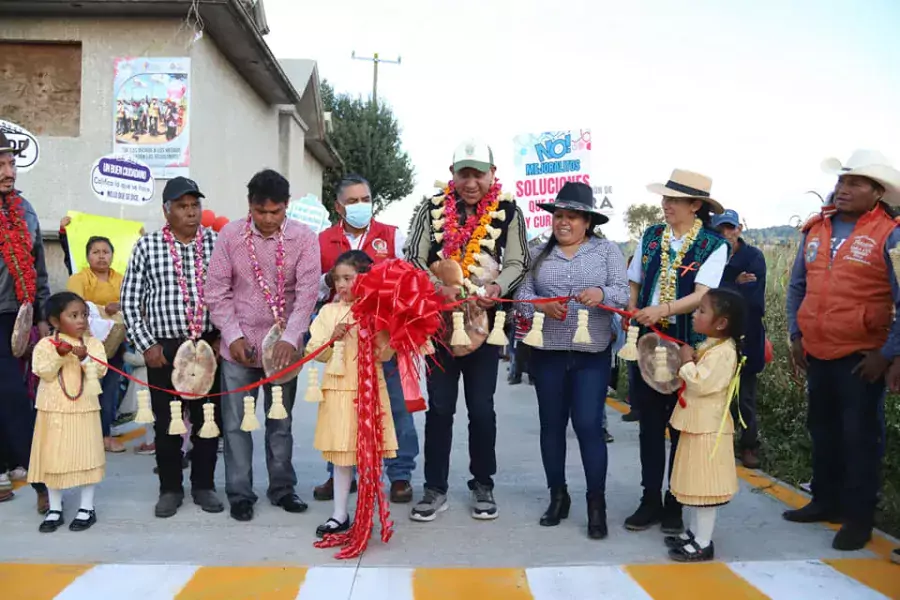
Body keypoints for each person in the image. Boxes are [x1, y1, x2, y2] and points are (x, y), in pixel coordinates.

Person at [406, 139, 529, 521]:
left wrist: (497, 288)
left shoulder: (509, 212)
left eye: (479, 173)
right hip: (438, 326)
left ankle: (483, 485)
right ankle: (434, 488)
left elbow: (518, 261)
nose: (471, 181)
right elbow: (413, 256)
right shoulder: (431, 208)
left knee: (482, 409)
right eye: (464, 173)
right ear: (452, 174)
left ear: (493, 175)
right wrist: (436, 284)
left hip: (485, 327)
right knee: (440, 409)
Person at [785, 153, 900, 551]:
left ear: (878, 192)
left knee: (860, 438)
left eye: (856, 183)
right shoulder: (816, 228)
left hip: (861, 356)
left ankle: (858, 518)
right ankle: (825, 501)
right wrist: (795, 334)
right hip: (817, 350)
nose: (844, 189)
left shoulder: (891, 234)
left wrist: (887, 353)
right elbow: (798, 286)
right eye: (842, 181)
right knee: (823, 430)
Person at [514, 181, 628, 539]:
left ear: (588, 222)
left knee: (588, 426)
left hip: (591, 352)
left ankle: (597, 504)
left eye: (572, 216)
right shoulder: (537, 253)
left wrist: (601, 292)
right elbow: (520, 295)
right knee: (551, 426)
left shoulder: (606, 252)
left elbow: (623, 294)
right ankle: (557, 496)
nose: (563, 222)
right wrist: (540, 306)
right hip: (547, 351)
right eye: (559, 215)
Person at [206, 168, 320, 522]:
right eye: (261, 212)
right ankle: (240, 493)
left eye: (276, 212)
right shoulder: (230, 236)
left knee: (280, 423)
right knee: (237, 423)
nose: (268, 220)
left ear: (287, 207)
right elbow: (216, 291)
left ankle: (283, 488)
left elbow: (306, 295)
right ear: (249, 206)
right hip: (238, 348)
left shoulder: (304, 238)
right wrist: (232, 335)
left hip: (283, 348)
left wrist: (290, 339)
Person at [624, 169, 729, 535]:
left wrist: (664, 310)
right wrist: (634, 312)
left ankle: (674, 500)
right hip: (648, 342)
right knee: (649, 425)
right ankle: (649, 497)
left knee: (681, 427)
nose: (665, 205)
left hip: (686, 347)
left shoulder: (713, 245)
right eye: (665, 198)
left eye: (674, 200)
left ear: (695, 206)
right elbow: (634, 278)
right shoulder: (651, 236)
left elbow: (703, 295)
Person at [121, 176, 224, 519]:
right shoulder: (147, 247)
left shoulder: (216, 243)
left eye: (195, 205)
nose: (191, 213)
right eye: (182, 206)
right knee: (167, 423)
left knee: (209, 421)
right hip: (163, 349)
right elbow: (130, 302)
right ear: (167, 211)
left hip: (207, 346)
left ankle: (204, 486)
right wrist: (147, 345)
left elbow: (231, 293)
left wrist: (224, 336)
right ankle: (169, 489)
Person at [314, 174, 417, 505]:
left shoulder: (391, 236)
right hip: (344, 340)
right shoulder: (323, 241)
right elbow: (316, 289)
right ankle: (339, 473)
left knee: (395, 406)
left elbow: (409, 282)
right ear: (339, 206)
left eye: (366, 199)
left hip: (384, 338)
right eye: (353, 201)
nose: (361, 206)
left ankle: (399, 473)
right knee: (342, 407)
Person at [306, 250, 398, 537]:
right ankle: (339, 514)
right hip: (338, 392)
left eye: (348, 277)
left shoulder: (379, 311)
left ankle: (366, 512)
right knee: (342, 457)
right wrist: (333, 338)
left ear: (366, 278)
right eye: (337, 279)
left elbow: (386, 353)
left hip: (371, 391)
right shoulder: (328, 312)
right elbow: (313, 350)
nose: (342, 285)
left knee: (370, 457)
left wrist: (381, 328)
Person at [666, 289, 743, 562]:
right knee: (694, 481)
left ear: (720, 323)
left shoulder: (724, 353)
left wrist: (687, 361)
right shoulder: (712, 346)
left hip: (708, 429)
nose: (695, 315)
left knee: (705, 488)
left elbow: (701, 383)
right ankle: (694, 532)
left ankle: (703, 542)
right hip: (697, 425)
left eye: (701, 311)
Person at [0, 131, 52, 514]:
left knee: (16, 393)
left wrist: (45, 318)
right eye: (0, 165)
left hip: (19, 319)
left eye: (11, 164)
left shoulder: (26, 210)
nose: (8, 172)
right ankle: (41, 479)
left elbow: (39, 268)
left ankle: (6, 466)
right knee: (12, 396)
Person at [28, 291, 108, 533]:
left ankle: (87, 507)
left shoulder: (92, 343)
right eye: (73, 315)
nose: (81, 320)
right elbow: (42, 370)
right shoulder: (45, 344)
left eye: (84, 314)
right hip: (53, 409)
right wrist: (60, 356)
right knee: (53, 458)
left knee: (87, 456)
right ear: (55, 321)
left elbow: (101, 371)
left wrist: (85, 361)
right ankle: (55, 508)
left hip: (84, 407)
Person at [711, 209, 766, 468]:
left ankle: (749, 445)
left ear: (739, 229)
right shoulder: (712, 257)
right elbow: (709, 296)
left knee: (745, 395)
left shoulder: (753, 257)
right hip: (718, 335)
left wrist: (726, 287)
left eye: (730, 228)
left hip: (748, 335)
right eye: (720, 229)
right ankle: (719, 442)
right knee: (716, 391)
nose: (726, 234)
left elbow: (751, 300)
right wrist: (734, 282)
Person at [67, 236, 126, 454]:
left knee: (109, 389)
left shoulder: (121, 278)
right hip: (84, 343)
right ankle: (79, 436)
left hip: (114, 343)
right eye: (96, 252)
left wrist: (119, 306)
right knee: (82, 388)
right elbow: (74, 305)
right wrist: (101, 310)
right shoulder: (79, 278)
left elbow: (132, 302)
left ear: (112, 255)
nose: (101, 256)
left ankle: (104, 435)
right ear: (87, 256)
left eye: (106, 252)